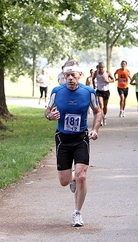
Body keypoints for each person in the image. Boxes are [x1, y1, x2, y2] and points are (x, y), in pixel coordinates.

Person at [45, 60, 102, 227]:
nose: (70, 78)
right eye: (67, 75)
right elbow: (47, 111)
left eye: (73, 75)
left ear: (80, 75)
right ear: (63, 76)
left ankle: (77, 213)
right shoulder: (57, 92)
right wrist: (50, 116)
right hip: (63, 138)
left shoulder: (88, 92)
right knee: (64, 181)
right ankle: (71, 180)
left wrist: (95, 129)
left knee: (81, 176)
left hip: (81, 138)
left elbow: (98, 112)